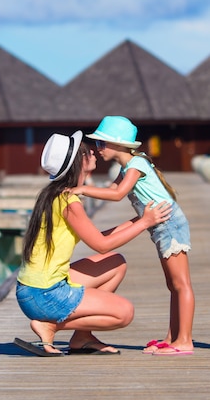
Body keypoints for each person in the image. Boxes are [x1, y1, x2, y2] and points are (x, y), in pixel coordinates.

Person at [14, 130, 171, 357]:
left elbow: (97, 237)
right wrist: (145, 222)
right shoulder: (69, 201)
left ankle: (82, 336)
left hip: (34, 288)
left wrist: (139, 221)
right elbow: (102, 245)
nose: (95, 152)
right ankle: (50, 326)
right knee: (124, 312)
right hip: (44, 294)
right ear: (81, 161)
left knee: (115, 263)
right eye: (89, 151)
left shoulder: (55, 194)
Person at [72, 115, 195, 356]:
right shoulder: (128, 166)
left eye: (101, 143)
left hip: (170, 225)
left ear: (117, 144)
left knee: (181, 284)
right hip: (160, 226)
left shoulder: (136, 165)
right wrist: (83, 189)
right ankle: (172, 337)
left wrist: (82, 189)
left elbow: (118, 194)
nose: (98, 149)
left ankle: (185, 340)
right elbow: (110, 189)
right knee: (172, 285)